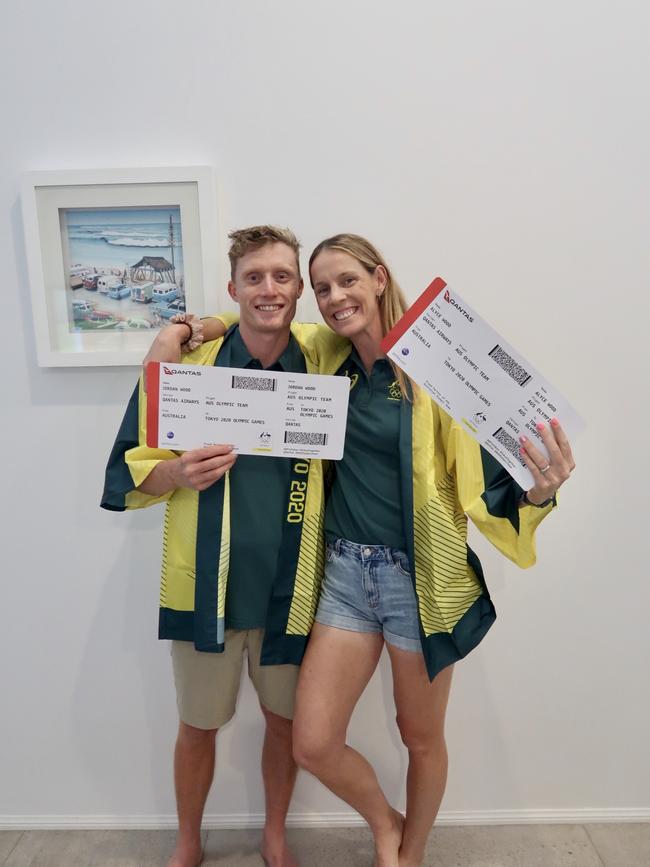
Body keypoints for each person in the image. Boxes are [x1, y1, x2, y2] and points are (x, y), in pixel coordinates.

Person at [145, 234, 575, 867]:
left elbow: (493, 465)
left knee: (420, 738)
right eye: (321, 288)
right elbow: (261, 315)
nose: (333, 297)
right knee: (313, 741)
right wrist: (190, 325)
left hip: (422, 578)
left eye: (345, 281)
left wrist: (539, 490)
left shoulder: (438, 374)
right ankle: (389, 822)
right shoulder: (328, 361)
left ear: (378, 278)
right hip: (344, 574)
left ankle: (408, 854)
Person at [102, 225, 331, 867]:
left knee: (285, 727)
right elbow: (131, 469)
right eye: (254, 277)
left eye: (283, 277)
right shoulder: (183, 371)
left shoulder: (322, 359)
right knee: (196, 726)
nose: (270, 289)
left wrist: (194, 321)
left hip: (294, 588)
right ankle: (187, 841)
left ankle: (275, 836)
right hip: (204, 585)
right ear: (234, 288)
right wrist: (178, 473)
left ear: (298, 292)